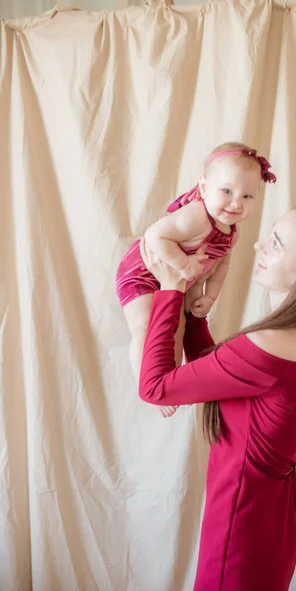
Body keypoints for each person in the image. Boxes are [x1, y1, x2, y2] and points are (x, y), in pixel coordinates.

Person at [137, 203, 296, 591]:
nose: (258, 245)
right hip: (271, 517)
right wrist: (194, 317)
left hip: (240, 525)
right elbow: (223, 373)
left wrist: (170, 288)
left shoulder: (271, 346)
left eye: (275, 244)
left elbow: (155, 386)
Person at [115, 141, 276, 417]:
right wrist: (185, 264)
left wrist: (209, 296)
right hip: (141, 274)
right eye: (226, 191)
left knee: (174, 329)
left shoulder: (232, 231)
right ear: (203, 187)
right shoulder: (197, 217)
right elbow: (154, 236)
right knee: (145, 328)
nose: (236, 202)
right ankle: (149, 384)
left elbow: (223, 262)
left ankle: (166, 379)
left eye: (248, 196)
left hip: (174, 280)